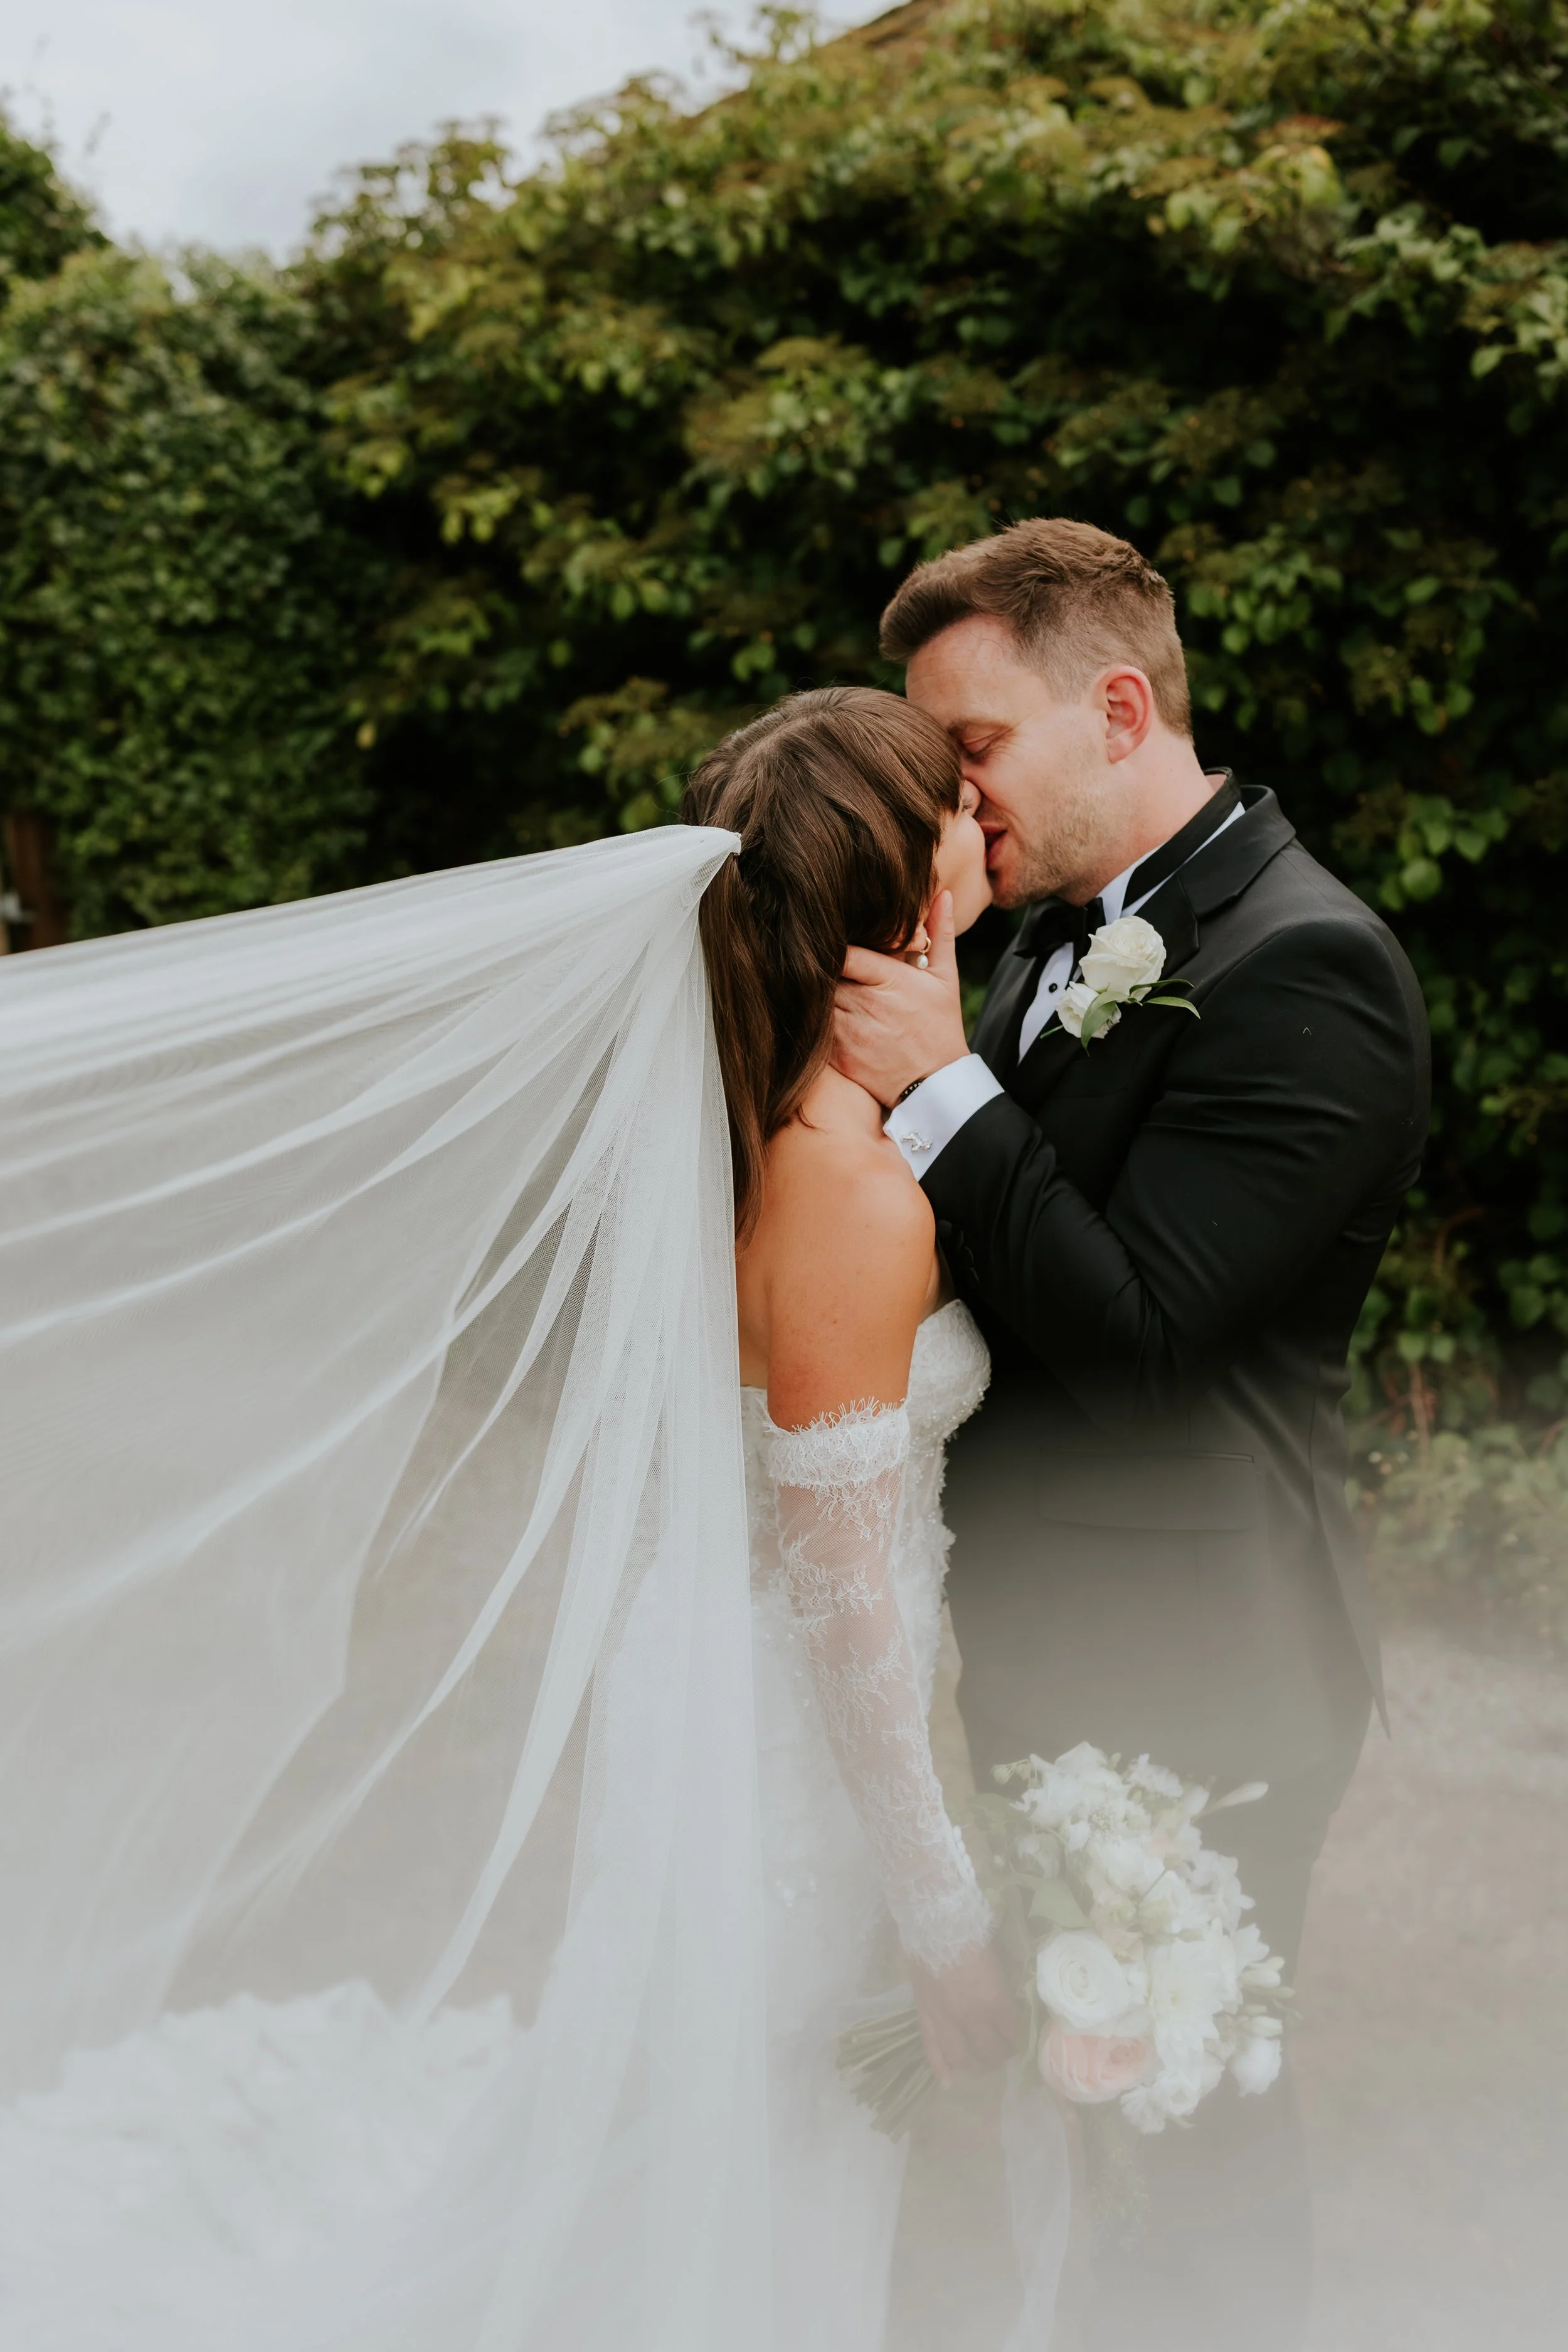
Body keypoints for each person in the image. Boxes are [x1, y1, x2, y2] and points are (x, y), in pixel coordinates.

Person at [0, 689, 1054, 2351]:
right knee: (748, 2158)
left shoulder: (751, 1122)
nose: (977, 808)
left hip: (721, 1708)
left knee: (687, 2142)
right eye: (946, 798)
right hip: (787, 1760)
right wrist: (944, 1921)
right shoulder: (845, 1194)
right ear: (899, 896)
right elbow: (845, 1606)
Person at [832, 517, 1432, 2351]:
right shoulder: (1044, 947)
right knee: (1084, 2131)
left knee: (1192, 2127)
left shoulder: (1305, 966)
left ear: (1114, 707)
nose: (958, 798)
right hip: (1055, 1654)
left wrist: (937, 1082)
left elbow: (1150, 1337)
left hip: (1205, 1682)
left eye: (975, 750)